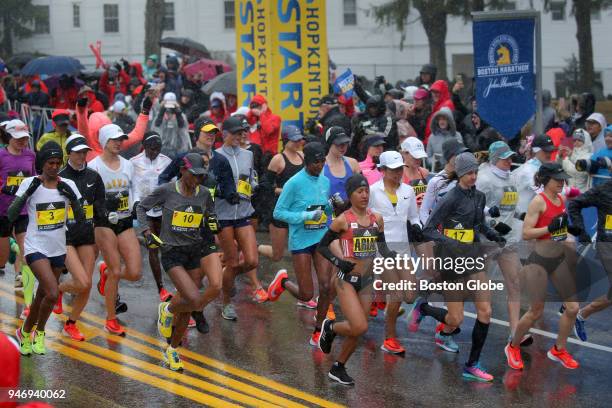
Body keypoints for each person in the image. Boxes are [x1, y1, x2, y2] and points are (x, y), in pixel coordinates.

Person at [418, 152, 505, 382]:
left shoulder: (479, 197)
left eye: (475, 172)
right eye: (468, 173)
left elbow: (478, 225)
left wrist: (493, 234)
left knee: (485, 311)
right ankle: (424, 307)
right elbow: (428, 229)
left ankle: (472, 364)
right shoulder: (450, 198)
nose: (473, 177)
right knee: (455, 320)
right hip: (451, 261)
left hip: (473, 257)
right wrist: (451, 242)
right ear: (459, 174)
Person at [136, 152, 220, 371]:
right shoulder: (167, 190)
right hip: (172, 252)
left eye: (201, 176)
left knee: (187, 306)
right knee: (193, 299)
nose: (198, 180)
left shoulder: (203, 194)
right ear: (183, 171)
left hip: (194, 251)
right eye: (194, 175)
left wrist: (213, 223)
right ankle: (168, 310)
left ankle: (172, 349)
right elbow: (141, 207)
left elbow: (210, 214)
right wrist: (146, 232)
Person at [316, 174, 397, 385]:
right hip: (345, 281)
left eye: (366, 191)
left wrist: (391, 255)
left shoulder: (376, 219)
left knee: (359, 328)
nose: (364, 195)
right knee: (359, 326)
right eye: (359, 191)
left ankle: (338, 367)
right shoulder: (342, 220)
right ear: (350, 195)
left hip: (367, 280)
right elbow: (322, 247)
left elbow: (382, 246)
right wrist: (339, 261)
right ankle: (330, 327)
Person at [9, 142, 84, 355]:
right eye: (50, 162)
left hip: (58, 248)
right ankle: (39, 332)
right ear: (42, 163)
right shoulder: (30, 183)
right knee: (52, 292)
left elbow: (80, 218)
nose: (54, 166)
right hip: (35, 247)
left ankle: (24, 332)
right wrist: (26, 194)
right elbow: (12, 214)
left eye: (57, 163)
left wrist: (71, 195)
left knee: (42, 296)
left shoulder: (67, 184)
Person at [505, 162, 580, 370]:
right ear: (546, 180)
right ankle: (513, 346)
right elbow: (527, 233)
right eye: (558, 180)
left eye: (563, 179)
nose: (561, 183)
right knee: (536, 311)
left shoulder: (561, 199)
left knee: (573, 307)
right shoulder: (538, 202)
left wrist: (568, 234)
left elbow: (559, 231)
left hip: (558, 259)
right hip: (538, 261)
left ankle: (558, 349)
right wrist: (549, 227)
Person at [268, 142, 334, 345]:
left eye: (323, 161)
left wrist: (331, 208)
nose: (320, 165)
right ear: (306, 161)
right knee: (307, 295)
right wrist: (306, 216)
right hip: (301, 241)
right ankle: (283, 282)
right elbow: (278, 213)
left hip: (320, 238)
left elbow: (325, 210)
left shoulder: (325, 181)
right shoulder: (293, 183)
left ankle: (318, 329)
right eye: (316, 162)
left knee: (326, 286)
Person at [88, 124, 142, 336]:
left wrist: (136, 204)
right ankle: (111, 320)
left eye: (121, 139)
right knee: (117, 271)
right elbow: (89, 197)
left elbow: (134, 189)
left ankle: (106, 272)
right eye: (115, 139)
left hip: (124, 220)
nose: (119, 142)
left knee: (135, 272)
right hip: (103, 223)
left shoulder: (128, 165)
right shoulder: (94, 167)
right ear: (104, 142)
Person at [368, 152, 423, 354]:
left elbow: (414, 217)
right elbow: (363, 219)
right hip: (381, 252)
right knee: (398, 294)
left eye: (400, 169)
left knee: (409, 296)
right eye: (393, 170)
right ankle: (389, 339)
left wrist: (417, 227)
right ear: (382, 170)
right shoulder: (372, 192)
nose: (398, 173)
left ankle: (379, 288)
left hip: (402, 251)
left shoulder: (408, 191)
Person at [475, 141, 529, 345]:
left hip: (507, 241)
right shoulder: (484, 179)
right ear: (495, 159)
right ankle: (450, 321)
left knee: (515, 284)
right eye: (506, 157)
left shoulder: (511, 177)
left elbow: (509, 207)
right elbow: (476, 210)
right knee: (475, 285)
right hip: (486, 241)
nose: (510, 160)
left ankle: (515, 332)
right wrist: (495, 225)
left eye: (511, 157)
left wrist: (522, 215)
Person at [57, 134, 106, 341]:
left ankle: (71, 323)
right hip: (65, 237)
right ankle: (55, 290)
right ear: (69, 153)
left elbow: (100, 208)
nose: (83, 156)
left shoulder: (94, 177)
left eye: (85, 152)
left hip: (87, 236)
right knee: (83, 282)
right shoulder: (59, 177)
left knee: (85, 285)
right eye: (78, 152)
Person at [214, 117, 259, 321]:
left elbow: (250, 179)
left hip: (243, 213)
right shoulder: (215, 156)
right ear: (225, 134)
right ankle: (226, 302)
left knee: (251, 261)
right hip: (222, 215)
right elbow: (209, 185)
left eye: (242, 132)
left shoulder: (248, 155)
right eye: (235, 133)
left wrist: (254, 186)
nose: (240, 136)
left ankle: (227, 279)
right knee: (232, 261)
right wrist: (222, 192)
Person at [567, 178, 612, 341]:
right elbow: (574, 204)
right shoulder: (603, 190)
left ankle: (580, 314)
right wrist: (581, 230)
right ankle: (579, 312)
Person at [130, 132, 172, 301]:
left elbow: (173, 183)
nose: (155, 152)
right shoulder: (133, 162)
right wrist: (134, 202)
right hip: (144, 210)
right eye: (152, 149)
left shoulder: (167, 161)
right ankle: (161, 288)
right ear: (145, 147)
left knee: (168, 247)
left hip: (162, 210)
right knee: (153, 248)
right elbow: (131, 186)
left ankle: (141, 239)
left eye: (158, 149)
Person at [0, 119, 36, 311]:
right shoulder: (1, 155)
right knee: (1, 259)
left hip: (23, 210)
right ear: (10, 136)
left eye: (25, 138)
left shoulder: (30, 155)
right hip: (2, 212)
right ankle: (11, 248)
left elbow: (36, 177)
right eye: (19, 138)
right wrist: (5, 187)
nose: (23, 142)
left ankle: (27, 297)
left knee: (27, 251)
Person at [258, 125, 305, 266]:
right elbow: (265, 185)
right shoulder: (278, 159)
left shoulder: (302, 156)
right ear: (285, 141)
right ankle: (255, 248)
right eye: (294, 140)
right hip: (281, 210)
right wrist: (283, 191)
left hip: (299, 210)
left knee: (302, 251)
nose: (298, 143)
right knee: (277, 255)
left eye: (299, 140)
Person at [419, 139, 468, 224]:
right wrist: (433, 232)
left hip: (467, 231)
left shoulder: (467, 177)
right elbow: (424, 211)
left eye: (463, 154)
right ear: (448, 156)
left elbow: (476, 202)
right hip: (444, 232)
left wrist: (489, 211)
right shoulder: (436, 181)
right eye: (458, 154)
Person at [323, 126, 361, 202]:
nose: (343, 147)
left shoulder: (353, 163)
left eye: (345, 143)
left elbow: (362, 188)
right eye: (339, 144)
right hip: (330, 212)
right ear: (330, 144)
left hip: (351, 211)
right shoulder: (320, 166)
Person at [152, 92, 192, 159]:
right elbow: (155, 128)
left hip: (176, 150)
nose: (169, 105)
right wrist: (161, 111)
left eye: (171, 103)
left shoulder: (180, 116)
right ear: (164, 102)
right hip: (160, 151)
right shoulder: (160, 115)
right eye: (167, 102)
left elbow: (183, 131)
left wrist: (178, 113)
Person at [400, 137, 430, 208]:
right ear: (405, 154)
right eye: (415, 156)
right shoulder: (398, 175)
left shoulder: (424, 172)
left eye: (420, 157)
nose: (418, 160)